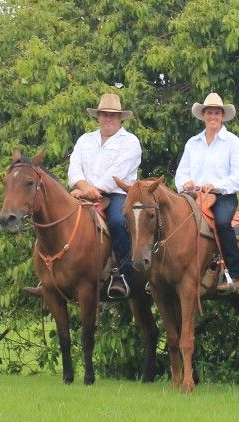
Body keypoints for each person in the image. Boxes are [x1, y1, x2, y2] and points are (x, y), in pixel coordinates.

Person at [67, 93, 141, 298]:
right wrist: (83, 187)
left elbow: (117, 173)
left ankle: (122, 274)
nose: (108, 118)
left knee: (118, 221)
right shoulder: (85, 140)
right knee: (56, 218)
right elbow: (74, 169)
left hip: (117, 193)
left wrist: (91, 190)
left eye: (113, 115)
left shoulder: (130, 142)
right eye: (104, 114)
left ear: (120, 118)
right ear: (98, 116)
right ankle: (52, 273)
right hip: (83, 193)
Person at [174, 92, 239, 294]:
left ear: (222, 116)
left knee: (223, 223)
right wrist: (185, 183)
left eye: (217, 113)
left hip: (223, 196)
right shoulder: (192, 143)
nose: (213, 117)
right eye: (209, 113)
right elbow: (180, 173)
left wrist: (214, 185)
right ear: (203, 115)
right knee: (170, 221)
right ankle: (166, 272)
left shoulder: (233, 143)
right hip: (193, 196)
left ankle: (234, 274)